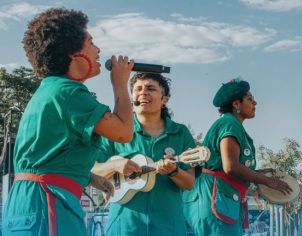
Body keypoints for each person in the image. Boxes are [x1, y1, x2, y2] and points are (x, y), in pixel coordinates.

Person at [2, 8, 135, 236]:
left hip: (27, 202)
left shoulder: (49, 90)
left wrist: (88, 177)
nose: (98, 50)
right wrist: (121, 83)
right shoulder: (69, 93)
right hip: (48, 201)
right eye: (91, 42)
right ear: (74, 53)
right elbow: (124, 132)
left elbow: (47, 156)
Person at [183, 77, 292, 236]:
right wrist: (268, 181)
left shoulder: (231, 124)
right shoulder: (230, 123)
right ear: (236, 104)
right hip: (215, 197)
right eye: (250, 99)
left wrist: (259, 174)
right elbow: (230, 167)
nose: (255, 103)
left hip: (221, 198)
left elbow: (228, 165)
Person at [92, 72, 196, 236]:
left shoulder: (181, 133)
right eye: (138, 89)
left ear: (164, 100)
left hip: (168, 228)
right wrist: (114, 164)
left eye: (150, 88)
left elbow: (189, 183)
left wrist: (174, 171)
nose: (143, 92)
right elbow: (92, 169)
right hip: (123, 227)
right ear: (131, 99)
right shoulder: (115, 130)